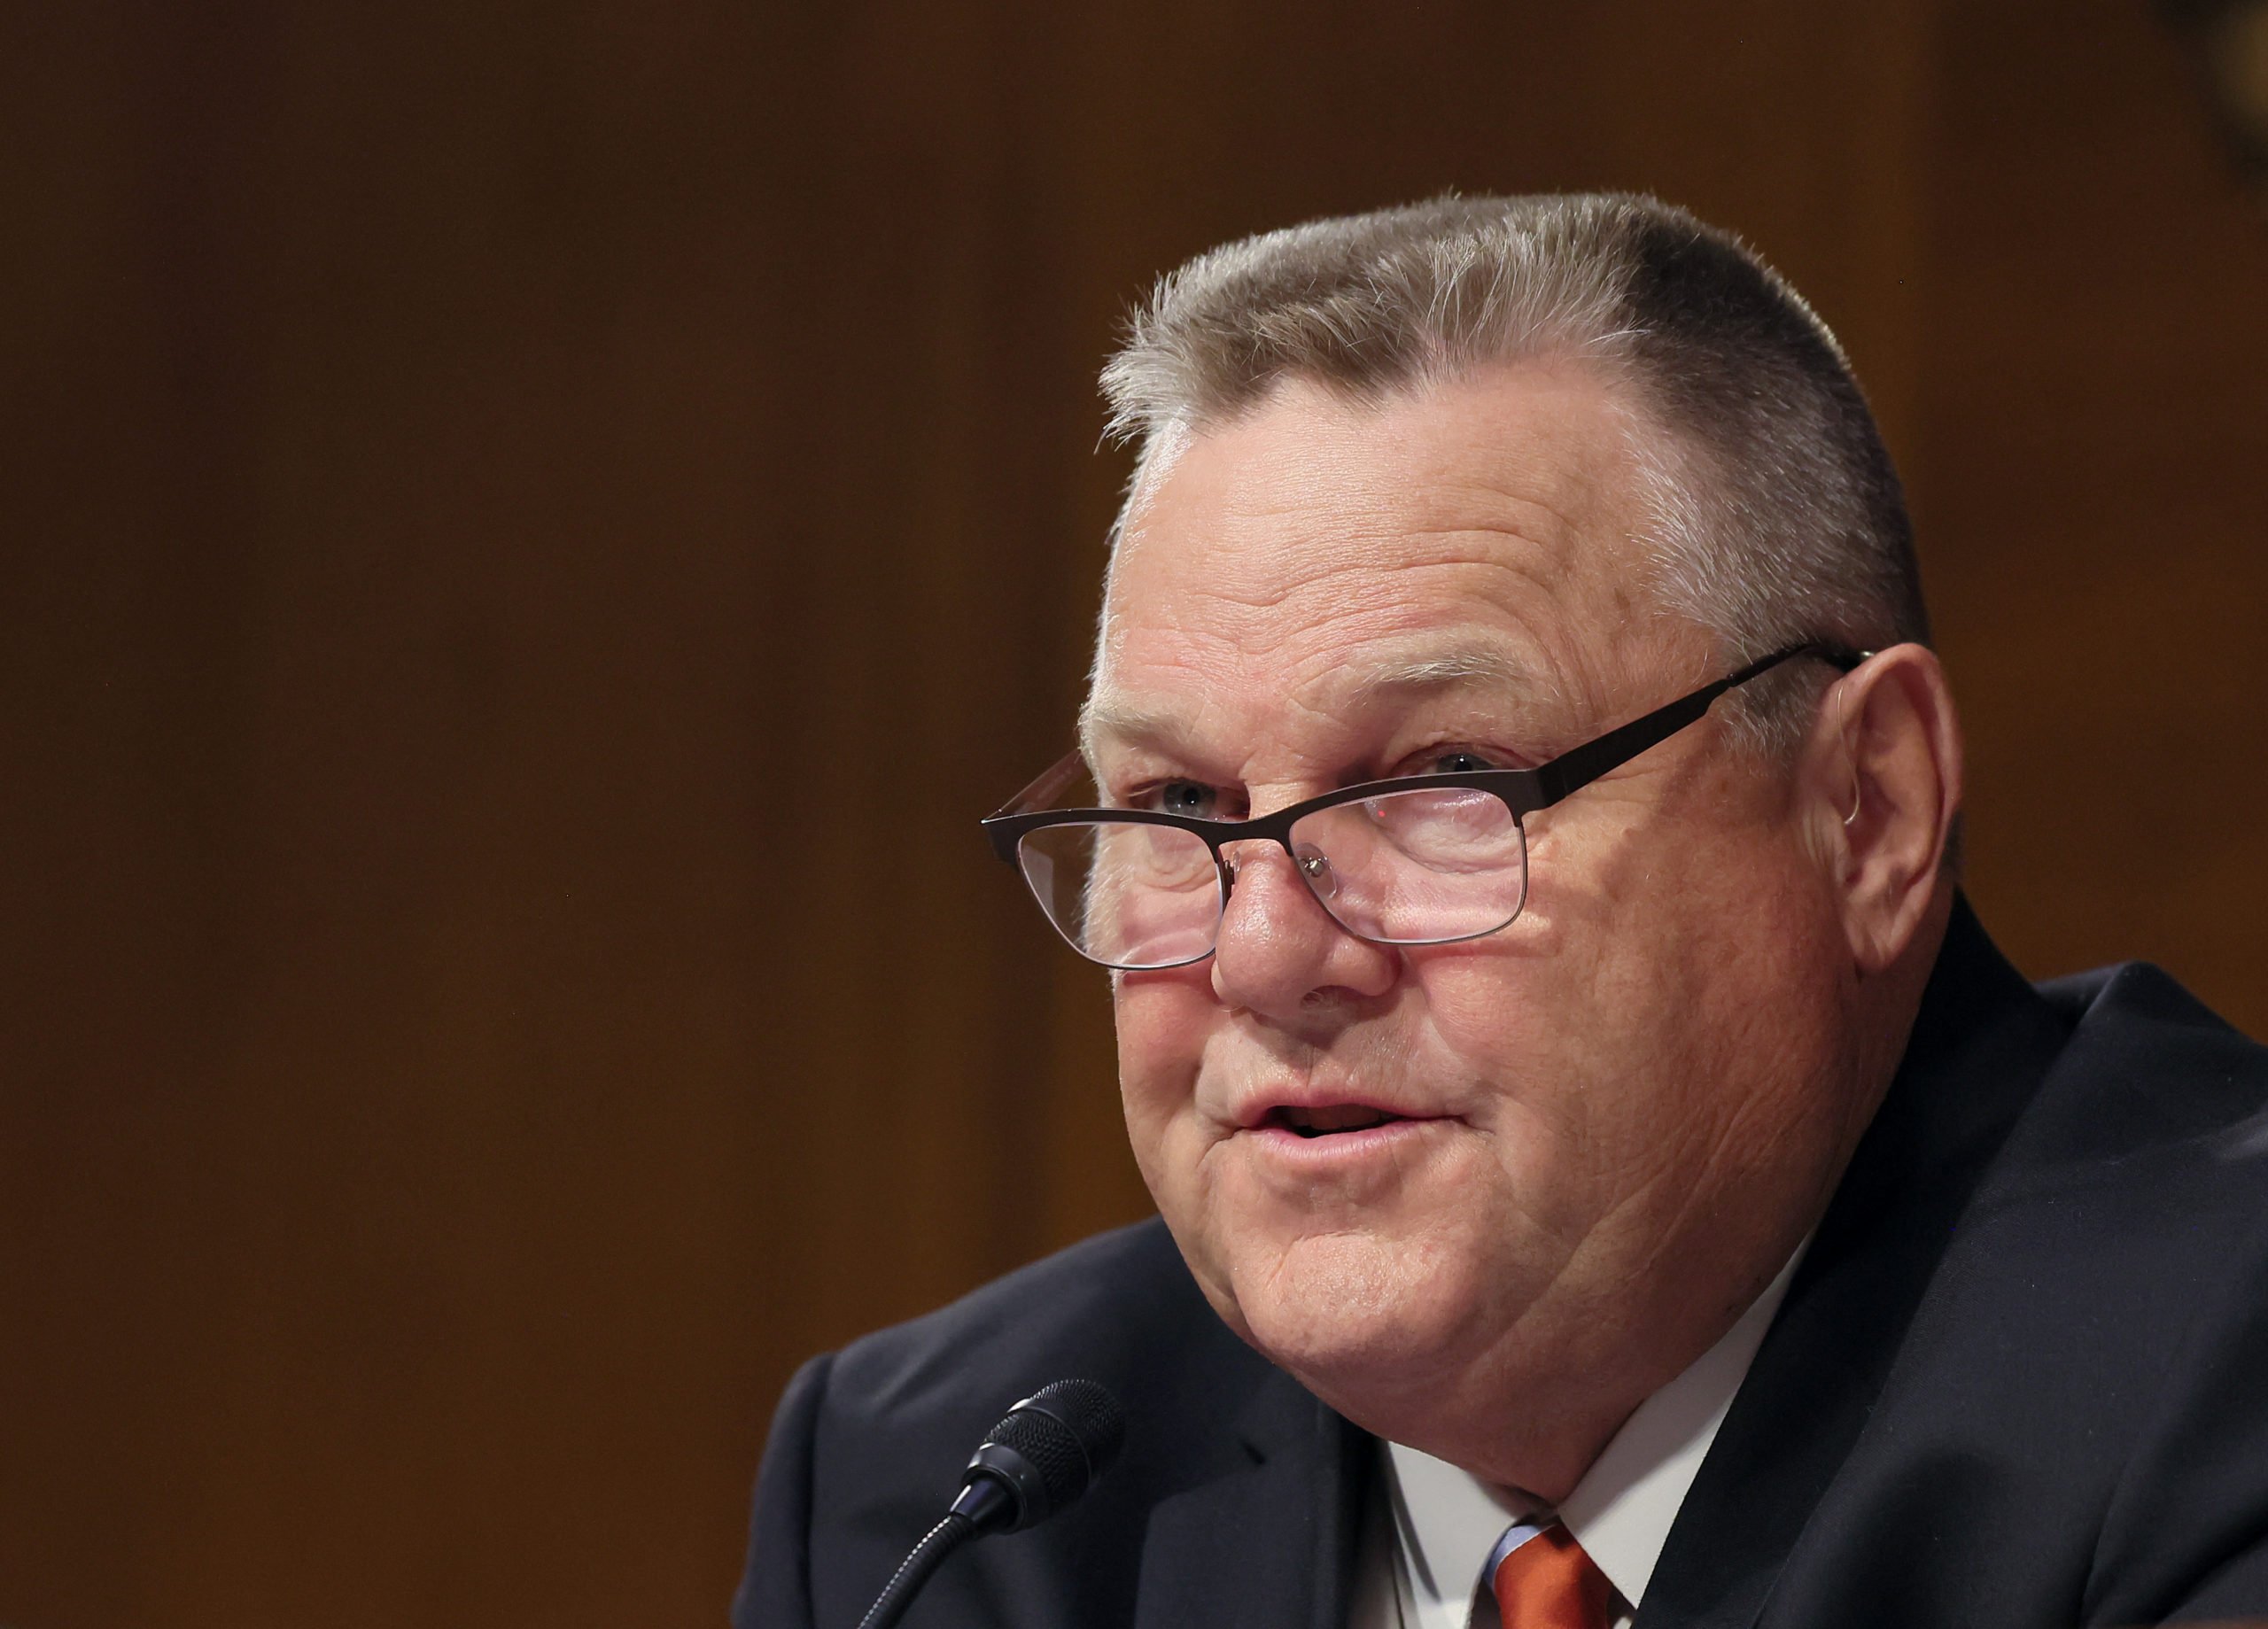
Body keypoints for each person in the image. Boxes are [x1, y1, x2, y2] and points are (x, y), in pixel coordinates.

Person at [734, 194, 2268, 1629]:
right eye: (1179, 810)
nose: (1266, 955)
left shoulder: (2223, 1360)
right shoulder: (941, 1509)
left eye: (1445, 781)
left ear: (1867, 809)